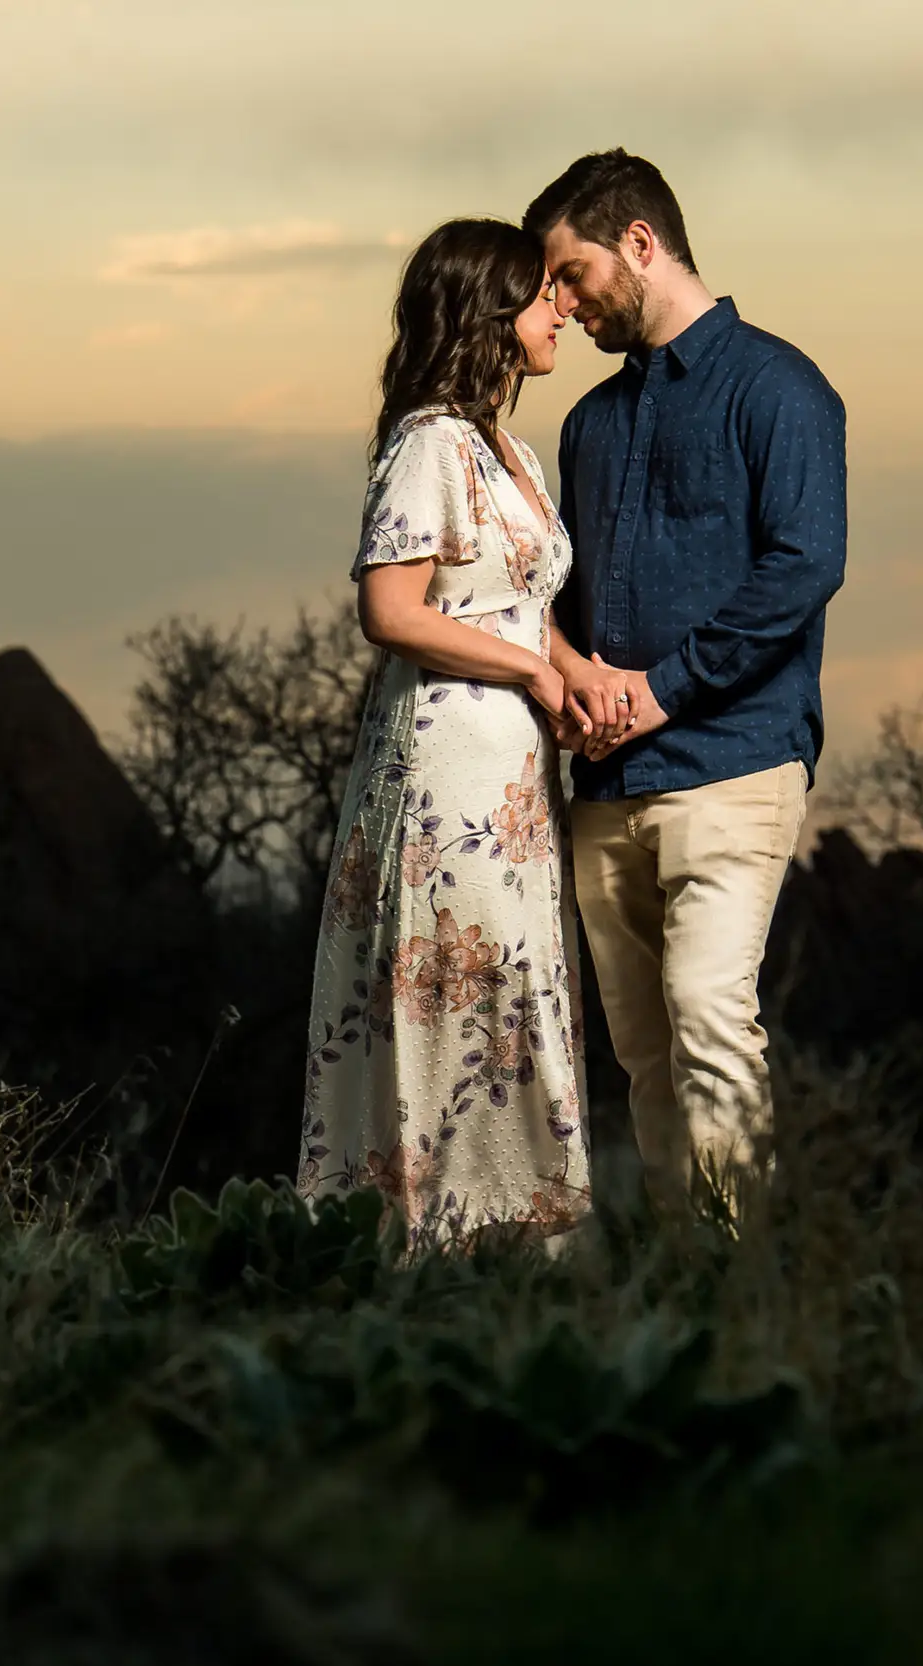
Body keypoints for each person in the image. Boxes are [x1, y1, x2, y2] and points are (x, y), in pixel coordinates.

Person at [523, 150, 848, 1216]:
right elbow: (570, 595)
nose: (560, 305)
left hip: (732, 759)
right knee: (644, 1055)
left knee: (710, 1012)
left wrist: (660, 692)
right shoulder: (588, 425)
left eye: (570, 275)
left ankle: (743, 1284)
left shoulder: (780, 385)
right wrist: (573, 692)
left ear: (640, 243)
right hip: (606, 786)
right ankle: (688, 1285)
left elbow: (804, 564)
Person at [295, 218, 599, 1251]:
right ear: (488, 313)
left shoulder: (507, 449)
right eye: (540, 293)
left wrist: (578, 677)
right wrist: (526, 671)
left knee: (513, 996)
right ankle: (436, 1247)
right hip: (444, 779)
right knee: (459, 998)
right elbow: (392, 611)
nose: (559, 306)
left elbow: (518, 609)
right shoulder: (428, 440)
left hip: (509, 788)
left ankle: (521, 1243)